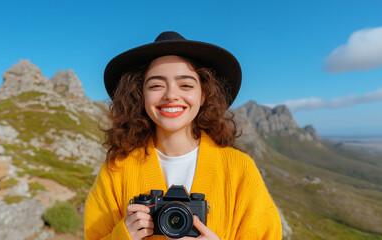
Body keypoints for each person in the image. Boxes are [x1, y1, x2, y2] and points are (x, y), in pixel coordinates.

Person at [84, 31, 282, 240]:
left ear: (204, 94)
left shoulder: (240, 171)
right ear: (140, 95)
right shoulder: (117, 170)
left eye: (186, 85)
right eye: (156, 85)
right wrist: (122, 236)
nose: (170, 95)